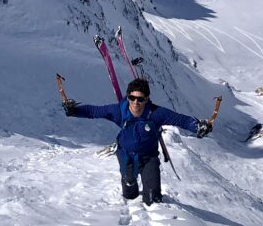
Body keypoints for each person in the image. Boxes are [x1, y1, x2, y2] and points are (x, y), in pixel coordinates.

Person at [63, 77, 213, 206]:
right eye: (132, 98)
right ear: (128, 97)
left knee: (153, 199)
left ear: (147, 99)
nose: (136, 102)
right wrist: (74, 111)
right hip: (126, 154)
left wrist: (197, 126)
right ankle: (129, 184)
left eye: (140, 99)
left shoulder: (156, 114)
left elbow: (181, 120)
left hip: (149, 157)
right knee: (130, 191)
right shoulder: (119, 111)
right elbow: (94, 111)